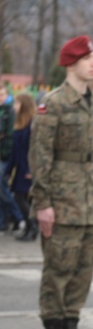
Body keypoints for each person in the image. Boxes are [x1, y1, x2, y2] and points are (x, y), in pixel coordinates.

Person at [29, 35, 93, 329]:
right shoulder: (54, 103)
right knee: (58, 269)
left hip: (89, 202)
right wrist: (42, 203)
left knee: (83, 269)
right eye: (88, 58)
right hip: (61, 202)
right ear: (72, 63)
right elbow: (41, 155)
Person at [3, 94, 37, 241]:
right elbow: (15, 152)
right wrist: (8, 170)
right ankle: (29, 228)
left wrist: (31, 170)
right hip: (19, 167)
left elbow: (34, 150)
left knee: (20, 198)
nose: (14, 106)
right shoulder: (19, 124)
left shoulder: (32, 126)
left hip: (26, 168)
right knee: (19, 197)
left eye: (17, 103)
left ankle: (33, 227)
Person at [0, 83, 24, 233]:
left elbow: (7, 133)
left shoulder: (9, 111)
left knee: (2, 187)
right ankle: (2, 222)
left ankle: (19, 217)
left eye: (2, 95)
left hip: (6, 154)